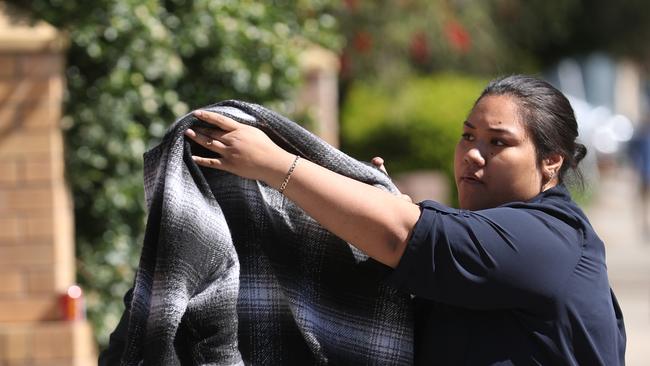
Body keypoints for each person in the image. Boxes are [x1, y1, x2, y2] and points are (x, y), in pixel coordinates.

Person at [184, 75, 626, 365]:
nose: (473, 153)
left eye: (498, 143)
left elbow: (401, 235)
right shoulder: (499, 233)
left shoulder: (547, 241)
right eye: (468, 135)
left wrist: (275, 165)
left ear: (551, 162)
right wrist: (375, 197)